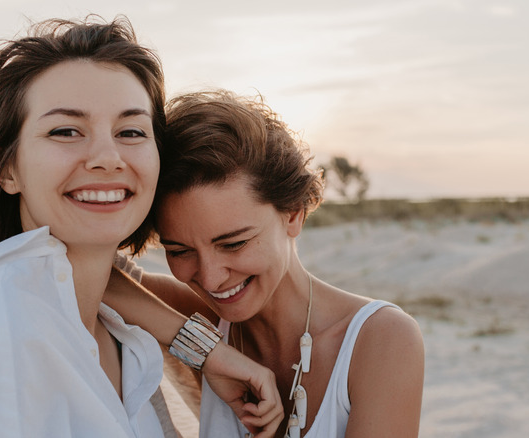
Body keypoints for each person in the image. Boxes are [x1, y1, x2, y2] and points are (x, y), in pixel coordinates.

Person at [0, 19, 281, 438]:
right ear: (8, 170)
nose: (107, 156)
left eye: (131, 131)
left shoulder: (115, 325)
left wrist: (206, 353)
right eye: (66, 131)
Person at [105, 90, 425, 437]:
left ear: (293, 214)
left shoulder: (379, 341)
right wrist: (208, 351)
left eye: (234, 243)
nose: (211, 278)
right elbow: (85, 271)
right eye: (180, 251)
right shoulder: (200, 322)